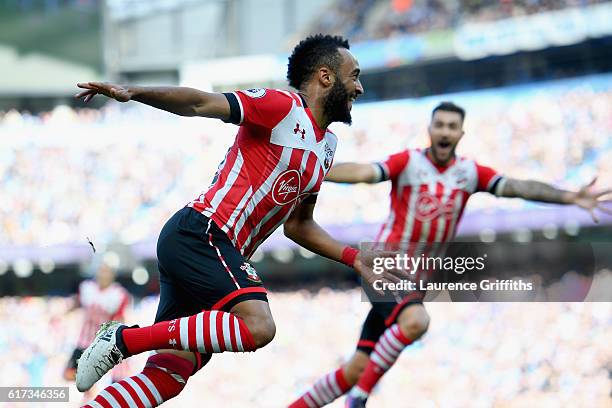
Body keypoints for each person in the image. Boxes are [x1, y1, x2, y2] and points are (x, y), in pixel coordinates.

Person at [73, 34, 390, 408]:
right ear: (325, 76)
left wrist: (354, 257)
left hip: (215, 251)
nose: (359, 86)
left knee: (170, 374)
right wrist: (134, 92)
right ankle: (123, 340)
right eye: (353, 75)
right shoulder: (281, 105)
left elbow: (299, 225)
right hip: (203, 232)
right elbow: (199, 102)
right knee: (258, 326)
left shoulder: (327, 147)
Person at [289, 101, 612, 408]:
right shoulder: (409, 162)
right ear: (429, 129)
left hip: (416, 277)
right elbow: (365, 172)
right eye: (439, 125)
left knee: (355, 368)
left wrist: (569, 196)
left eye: (452, 126)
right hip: (385, 264)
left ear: (461, 134)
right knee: (416, 321)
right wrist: (318, 168)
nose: (445, 131)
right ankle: (358, 399)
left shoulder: (470, 173)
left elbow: (518, 187)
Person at [63, 257, 130, 384]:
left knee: (114, 380)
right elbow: (76, 304)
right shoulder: (86, 288)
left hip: (104, 344)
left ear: (112, 274)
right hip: (83, 343)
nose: (103, 274)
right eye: (101, 270)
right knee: (69, 376)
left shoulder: (118, 294)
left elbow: (120, 320)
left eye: (107, 271)